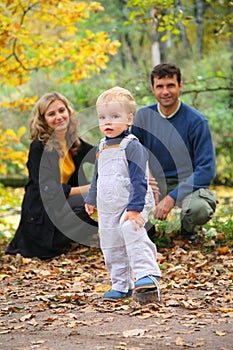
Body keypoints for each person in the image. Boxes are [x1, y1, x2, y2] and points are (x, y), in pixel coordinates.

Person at [85, 86, 161, 301]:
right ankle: (120, 284)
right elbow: (97, 176)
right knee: (110, 242)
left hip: (133, 201)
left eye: (114, 116)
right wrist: (91, 198)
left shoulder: (132, 146)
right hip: (108, 204)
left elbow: (140, 180)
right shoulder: (101, 146)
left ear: (129, 118)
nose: (107, 122)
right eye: (102, 117)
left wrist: (135, 209)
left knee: (131, 229)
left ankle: (147, 274)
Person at [131, 63, 218, 241]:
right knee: (121, 192)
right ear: (153, 89)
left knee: (199, 208)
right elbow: (131, 152)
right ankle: (147, 232)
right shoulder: (143, 116)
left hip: (187, 184)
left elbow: (206, 170)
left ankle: (188, 231)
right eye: (160, 86)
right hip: (154, 183)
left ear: (180, 86)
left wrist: (172, 197)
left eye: (170, 85)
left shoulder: (197, 121)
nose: (165, 92)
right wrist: (146, 174)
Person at [6, 92, 98, 260]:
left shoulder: (72, 141)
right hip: (42, 214)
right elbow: (51, 190)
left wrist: (122, 150)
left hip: (60, 207)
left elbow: (97, 155)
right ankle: (61, 241)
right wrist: (90, 189)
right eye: (51, 114)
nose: (59, 117)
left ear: (68, 112)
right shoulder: (39, 148)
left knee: (101, 196)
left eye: (61, 110)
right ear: (43, 120)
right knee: (91, 198)